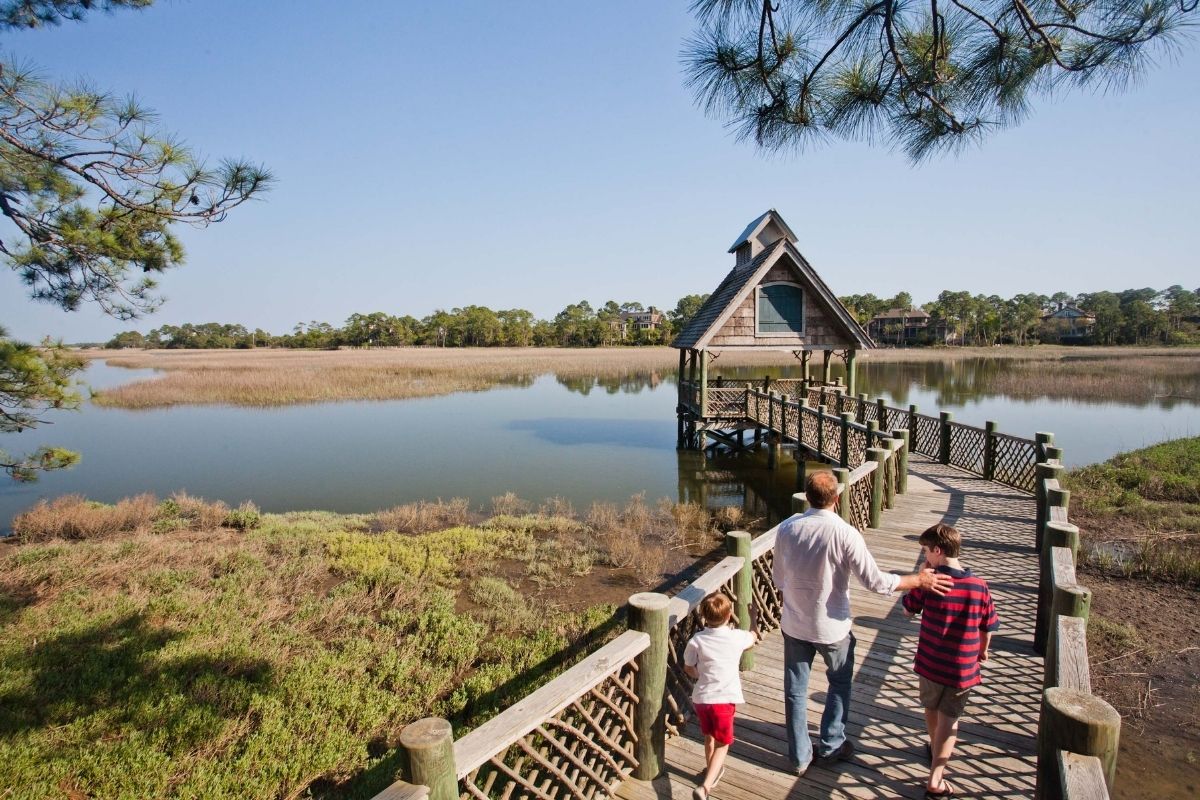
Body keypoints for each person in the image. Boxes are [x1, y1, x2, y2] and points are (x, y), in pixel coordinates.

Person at [772, 471, 954, 776]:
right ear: (837, 498)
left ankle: (800, 757)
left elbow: (778, 577)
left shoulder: (788, 529)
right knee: (839, 683)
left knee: (795, 691)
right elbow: (876, 582)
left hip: (794, 623)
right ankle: (831, 745)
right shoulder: (845, 534)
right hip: (832, 627)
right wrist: (917, 580)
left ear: (807, 496)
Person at [903, 523, 999, 800]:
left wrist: (920, 579)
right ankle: (936, 776)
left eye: (926, 551)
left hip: (930, 662)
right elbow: (987, 626)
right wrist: (983, 650)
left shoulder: (930, 582)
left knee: (931, 708)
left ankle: (935, 751)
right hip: (962, 668)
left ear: (938, 550)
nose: (924, 556)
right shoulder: (979, 586)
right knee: (950, 718)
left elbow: (908, 611)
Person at [683, 592, 758, 799]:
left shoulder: (696, 640)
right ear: (729, 615)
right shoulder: (736, 637)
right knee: (723, 744)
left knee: (709, 738)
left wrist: (700, 675)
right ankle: (705, 787)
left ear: (704, 616)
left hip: (702, 698)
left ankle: (712, 771)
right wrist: (754, 617)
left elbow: (689, 667)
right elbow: (753, 638)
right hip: (723, 700)